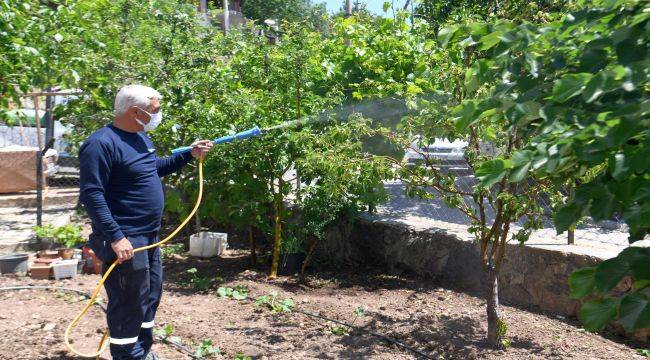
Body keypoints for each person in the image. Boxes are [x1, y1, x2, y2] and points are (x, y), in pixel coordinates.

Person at [79, 85, 213, 360]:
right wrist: (116, 237)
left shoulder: (139, 137)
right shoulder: (100, 144)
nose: (158, 115)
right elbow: (92, 195)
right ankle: (128, 354)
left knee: (149, 296)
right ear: (135, 111)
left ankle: (143, 350)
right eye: (155, 110)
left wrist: (189, 154)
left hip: (149, 237)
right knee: (128, 301)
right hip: (126, 238)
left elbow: (153, 168)